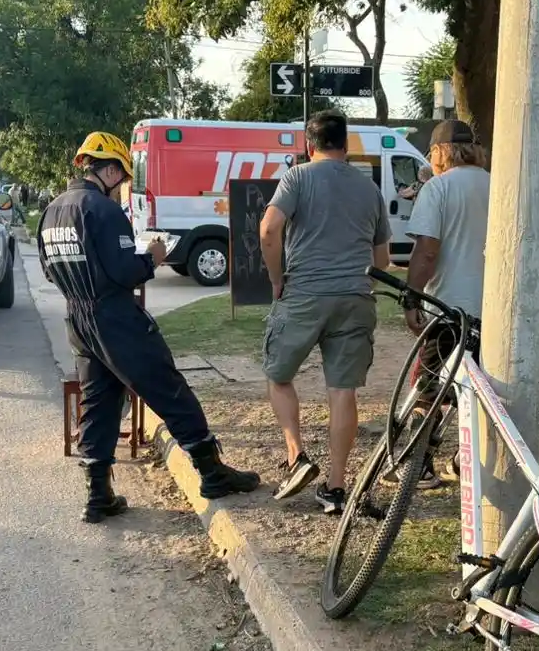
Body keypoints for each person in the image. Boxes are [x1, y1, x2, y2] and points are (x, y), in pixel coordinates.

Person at [38, 131, 260, 523]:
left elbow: (49, 270)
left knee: (98, 403)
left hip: (78, 317)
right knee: (170, 390)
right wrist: (153, 257)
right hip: (116, 318)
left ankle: (98, 495)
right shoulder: (103, 211)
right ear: (107, 169)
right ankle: (211, 472)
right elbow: (126, 272)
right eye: (122, 176)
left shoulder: (52, 211)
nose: (122, 184)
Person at [259, 110, 392, 515]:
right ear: (346, 144)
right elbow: (382, 259)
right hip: (355, 296)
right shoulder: (368, 188)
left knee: (278, 376)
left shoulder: (297, 177)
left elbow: (269, 230)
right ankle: (335, 486)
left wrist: (277, 280)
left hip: (304, 293)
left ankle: (297, 455)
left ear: (308, 144)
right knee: (342, 391)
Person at [394, 118, 490, 488]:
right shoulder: (497, 184)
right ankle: (467, 461)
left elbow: (426, 251)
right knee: (478, 390)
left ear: (439, 152)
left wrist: (411, 298)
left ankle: (419, 466)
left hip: (449, 307)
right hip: (492, 312)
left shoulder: (438, 188)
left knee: (427, 386)